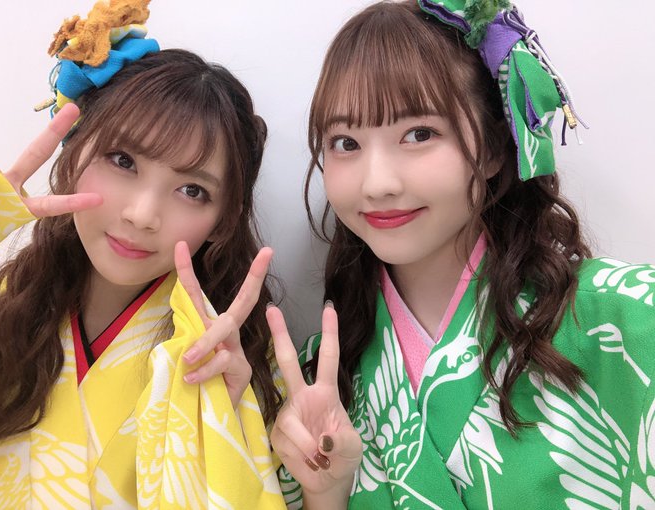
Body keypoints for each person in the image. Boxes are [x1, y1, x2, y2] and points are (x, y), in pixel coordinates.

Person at [266, 1, 655, 508]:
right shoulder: (317, 378)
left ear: (492, 148)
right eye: (345, 143)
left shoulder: (628, 318)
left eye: (419, 134)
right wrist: (326, 492)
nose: (377, 184)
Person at [0, 1, 286, 508]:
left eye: (192, 190)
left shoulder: (241, 364)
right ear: (75, 152)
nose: (143, 215)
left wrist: (225, 423)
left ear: (223, 219)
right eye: (123, 160)